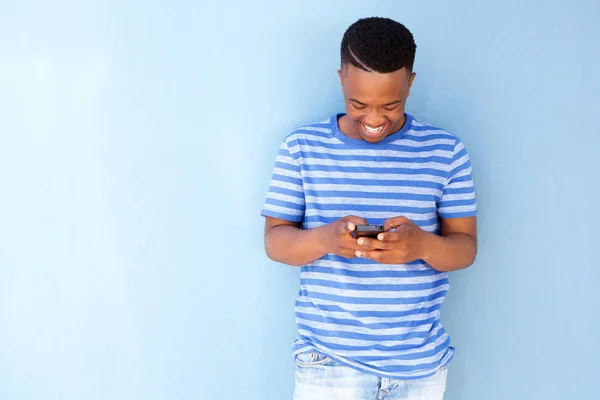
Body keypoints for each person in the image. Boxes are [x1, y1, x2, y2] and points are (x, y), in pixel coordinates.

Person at [261, 17, 477, 400]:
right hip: (328, 364)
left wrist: (422, 246)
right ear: (341, 79)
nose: (375, 120)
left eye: (391, 105)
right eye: (358, 104)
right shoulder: (301, 147)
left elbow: (464, 247)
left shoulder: (446, 151)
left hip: (420, 367)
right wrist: (327, 239)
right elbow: (275, 243)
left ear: (410, 83)